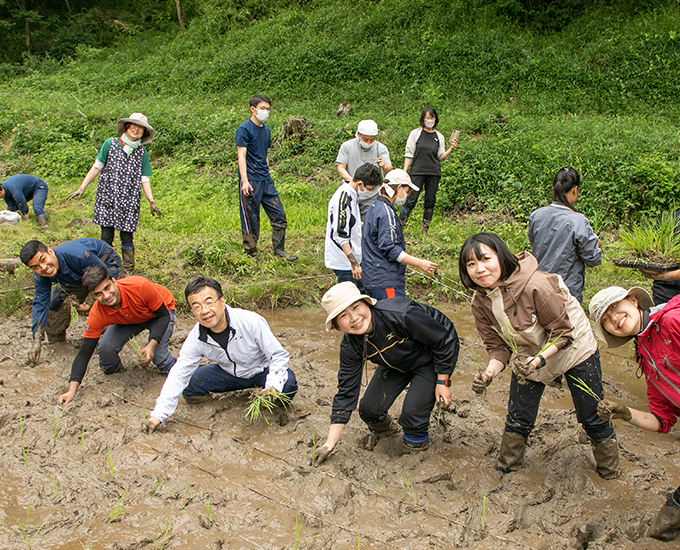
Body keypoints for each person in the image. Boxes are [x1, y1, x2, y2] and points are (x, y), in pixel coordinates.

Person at [459, 232, 619, 479]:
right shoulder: (479, 302)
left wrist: (537, 361)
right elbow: (498, 348)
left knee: (592, 415)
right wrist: (488, 373)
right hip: (530, 353)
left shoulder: (537, 285)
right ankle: (506, 469)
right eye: (471, 264)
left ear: (501, 257)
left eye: (485, 259)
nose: (480, 269)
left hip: (574, 347)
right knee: (518, 416)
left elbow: (563, 333)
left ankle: (610, 471)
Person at [312, 282, 459, 465]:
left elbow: (443, 340)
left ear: (367, 303)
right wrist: (329, 443)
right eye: (343, 315)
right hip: (396, 362)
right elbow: (346, 391)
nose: (354, 318)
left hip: (430, 357)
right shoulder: (350, 346)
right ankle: (388, 436)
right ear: (337, 325)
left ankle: (415, 453)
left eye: (356, 307)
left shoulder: (401, 314)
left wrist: (443, 382)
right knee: (369, 410)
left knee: (412, 415)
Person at [147, 277, 298, 431]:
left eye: (209, 302)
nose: (205, 311)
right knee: (190, 385)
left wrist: (273, 385)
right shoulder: (196, 337)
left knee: (287, 385)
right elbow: (179, 374)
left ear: (222, 300)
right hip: (229, 374)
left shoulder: (250, 321)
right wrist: (158, 415)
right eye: (196, 306)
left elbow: (278, 355)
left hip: (261, 371)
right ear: (192, 311)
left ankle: (268, 400)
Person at [590, 286, 680, 541]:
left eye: (613, 307)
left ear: (632, 300)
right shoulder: (646, 354)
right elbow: (663, 420)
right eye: (605, 321)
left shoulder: (672, 320)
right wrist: (624, 412)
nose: (613, 318)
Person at [57, 266, 176, 404]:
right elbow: (84, 353)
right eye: (98, 294)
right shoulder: (96, 314)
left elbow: (163, 316)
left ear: (114, 281)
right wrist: (71, 391)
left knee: (159, 356)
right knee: (106, 349)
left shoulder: (139, 286)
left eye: (107, 288)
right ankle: (118, 377)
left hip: (160, 312)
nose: (106, 296)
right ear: (91, 296)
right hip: (129, 319)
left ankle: (179, 373)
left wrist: (151, 344)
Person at [67, 113, 163, 275]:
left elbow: (144, 178)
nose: (136, 129)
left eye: (141, 128)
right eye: (134, 125)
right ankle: (107, 267)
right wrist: (82, 187)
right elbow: (97, 166)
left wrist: (151, 201)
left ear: (144, 133)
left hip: (129, 201)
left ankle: (127, 270)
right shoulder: (109, 144)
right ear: (127, 127)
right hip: (108, 198)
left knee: (127, 236)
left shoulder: (141, 153)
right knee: (106, 235)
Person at [19, 238, 122, 364]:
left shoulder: (77, 255)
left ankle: (107, 337)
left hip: (103, 264)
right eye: (35, 267)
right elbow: (40, 303)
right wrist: (37, 339)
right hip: (72, 277)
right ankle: (57, 342)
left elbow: (103, 276)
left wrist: (89, 305)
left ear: (50, 251)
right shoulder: (41, 275)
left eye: (43, 260)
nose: (43, 268)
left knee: (105, 299)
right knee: (54, 306)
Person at [236, 94, 297, 262]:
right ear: (253, 109)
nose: (266, 112)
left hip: (266, 180)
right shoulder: (244, 129)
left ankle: (279, 250)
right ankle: (251, 254)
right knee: (251, 219)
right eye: (263, 108)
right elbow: (241, 156)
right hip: (251, 181)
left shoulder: (266, 130)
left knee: (279, 215)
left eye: (268, 109)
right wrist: (245, 181)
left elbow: (265, 155)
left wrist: (268, 173)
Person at [527, 167, 601, 304]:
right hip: (567, 292)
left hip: (539, 287)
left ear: (553, 190)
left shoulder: (536, 216)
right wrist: (596, 245)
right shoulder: (578, 221)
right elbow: (592, 258)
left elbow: (534, 243)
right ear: (575, 189)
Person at [362, 169, 438, 300]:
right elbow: (390, 249)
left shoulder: (374, 207)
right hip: (386, 280)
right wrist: (420, 263)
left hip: (372, 278)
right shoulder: (387, 213)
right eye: (407, 191)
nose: (407, 195)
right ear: (398, 188)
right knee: (393, 318)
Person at [399, 107, 457, 235]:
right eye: (427, 118)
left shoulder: (439, 136)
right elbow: (409, 153)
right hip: (417, 171)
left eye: (432, 117)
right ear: (422, 119)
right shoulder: (415, 133)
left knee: (430, 200)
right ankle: (400, 228)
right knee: (411, 199)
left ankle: (425, 230)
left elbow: (440, 157)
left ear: (435, 119)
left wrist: (451, 149)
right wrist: (404, 171)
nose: (430, 120)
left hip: (434, 172)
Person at [324, 163, 382, 287]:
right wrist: (354, 264)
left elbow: (350, 222)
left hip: (352, 258)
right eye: (370, 189)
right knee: (353, 299)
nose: (370, 192)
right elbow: (340, 234)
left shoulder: (352, 194)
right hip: (344, 262)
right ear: (360, 183)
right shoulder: (344, 197)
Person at [336, 119, 393, 220]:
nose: (369, 142)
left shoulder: (381, 148)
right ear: (358, 134)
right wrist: (354, 182)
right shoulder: (347, 146)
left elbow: (389, 170)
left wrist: (384, 166)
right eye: (365, 139)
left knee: (368, 222)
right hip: (352, 191)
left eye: (372, 139)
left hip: (371, 195)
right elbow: (341, 168)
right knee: (350, 221)